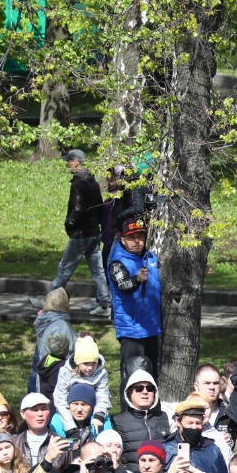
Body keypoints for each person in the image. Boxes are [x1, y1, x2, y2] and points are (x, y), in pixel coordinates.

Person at [41, 149, 110, 314]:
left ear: (76, 162)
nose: (67, 164)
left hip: (81, 234)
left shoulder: (78, 183)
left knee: (64, 269)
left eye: (69, 161)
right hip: (93, 232)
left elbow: (77, 209)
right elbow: (99, 207)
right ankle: (104, 303)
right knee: (97, 270)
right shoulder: (92, 181)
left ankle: (50, 301)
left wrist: (69, 225)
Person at [107, 218, 163, 378]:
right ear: (123, 240)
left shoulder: (150, 257)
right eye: (132, 237)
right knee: (132, 377)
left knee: (152, 377)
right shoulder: (117, 262)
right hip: (132, 331)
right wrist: (136, 279)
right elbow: (123, 286)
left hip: (152, 327)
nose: (137, 241)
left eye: (140, 236)